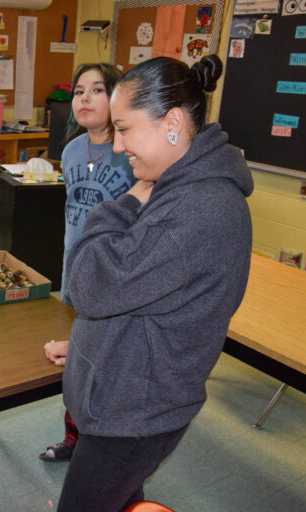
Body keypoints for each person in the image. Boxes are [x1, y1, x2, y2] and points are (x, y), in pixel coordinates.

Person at [56, 55, 253, 511]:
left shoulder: (199, 209)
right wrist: (95, 341)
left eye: (125, 128)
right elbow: (138, 292)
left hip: (135, 412)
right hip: (125, 387)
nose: (120, 144)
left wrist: (121, 204)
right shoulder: (177, 182)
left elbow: (89, 285)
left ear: (173, 122)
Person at [40, 63, 134, 463]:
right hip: (74, 269)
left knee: (105, 366)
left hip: (115, 278)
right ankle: (73, 439)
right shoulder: (73, 150)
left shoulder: (132, 152)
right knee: (77, 366)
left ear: (116, 99)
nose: (84, 98)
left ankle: (103, 446)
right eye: (79, 91)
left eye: (97, 90)